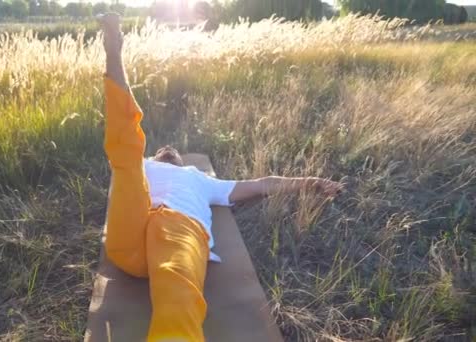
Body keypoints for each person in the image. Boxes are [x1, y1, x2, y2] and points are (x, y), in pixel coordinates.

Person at [99, 13, 344, 342]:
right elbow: (124, 163)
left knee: (178, 297)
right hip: (132, 230)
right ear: (157, 155)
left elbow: (262, 184)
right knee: (126, 150)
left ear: (182, 161)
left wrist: (310, 183)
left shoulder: (200, 179)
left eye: (173, 151)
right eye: (163, 149)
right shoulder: (142, 164)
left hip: (178, 230)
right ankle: (114, 52)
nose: (169, 149)